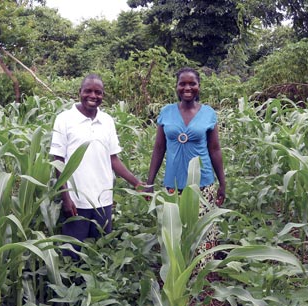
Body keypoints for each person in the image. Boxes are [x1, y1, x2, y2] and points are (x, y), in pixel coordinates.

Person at [50, 74, 142, 258]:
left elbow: (113, 159)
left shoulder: (107, 120)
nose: (93, 95)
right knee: (73, 255)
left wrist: (137, 183)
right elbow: (58, 161)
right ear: (80, 93)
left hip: (103, 199)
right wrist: (66, 198)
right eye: (88, 91)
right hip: (77, 200)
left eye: (98, 92)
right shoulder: (64, 119)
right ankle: (73, 287)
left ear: (103, 95)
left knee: (101, 253)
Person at [146, 67, 226, 251]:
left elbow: (214, 149)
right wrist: (149, 182)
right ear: (176, 86)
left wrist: (222, 183)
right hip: (173, 185)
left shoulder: (208, 113)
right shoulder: (166, 112)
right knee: (174, 232)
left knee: (202, 232)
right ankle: (179, 275)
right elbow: (159, 148)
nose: (187, 88)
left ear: (199, 86)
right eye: (182, 83)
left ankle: (201, 275)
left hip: (202, 184)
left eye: (192, 83)